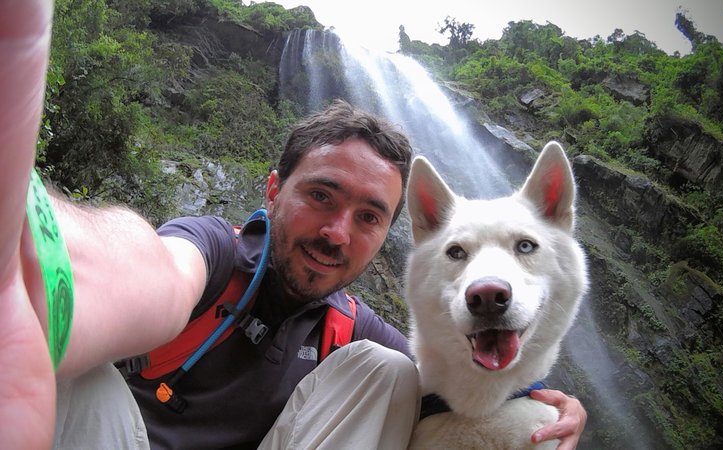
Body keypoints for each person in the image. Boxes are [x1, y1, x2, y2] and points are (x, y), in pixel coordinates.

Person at [0, 1, 587, 449]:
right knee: (87, 378)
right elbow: (147, 266)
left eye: (368, 216)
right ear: (275, 191)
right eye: (321, 196)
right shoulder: (214, 254)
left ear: (387, 235)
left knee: (387, 373)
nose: (337, 232)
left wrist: (541, 402)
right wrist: (35, 270)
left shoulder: (352, 332)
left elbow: (446, 378)